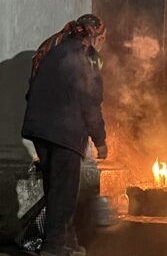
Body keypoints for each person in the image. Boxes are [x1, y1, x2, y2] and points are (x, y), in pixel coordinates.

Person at [21, 14, 108, 256]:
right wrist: (100, 140)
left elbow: (33, 87)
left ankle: (68, 242)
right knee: (64, 193)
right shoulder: (88, 56)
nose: (102, 44)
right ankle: (53, 247)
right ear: (95, 35)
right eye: (102, 39)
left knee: (56, 189)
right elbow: (91, 102)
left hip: (39, 129)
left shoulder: (52, 46)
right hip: (64, 133)